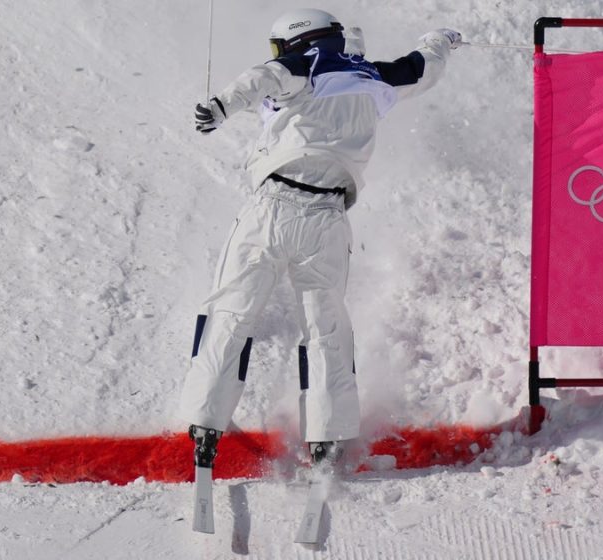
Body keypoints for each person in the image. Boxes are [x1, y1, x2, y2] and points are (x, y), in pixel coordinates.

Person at [179, 8, 462, 469]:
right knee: (325, 326)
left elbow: (262, 78)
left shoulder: (304, 64)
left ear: (296, 39)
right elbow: (421, 68)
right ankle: (326, 438)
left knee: (232, 309)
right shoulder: (375, 77)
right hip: (328, 216)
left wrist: (220, 108)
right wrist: (442, 41)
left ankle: (205, 421)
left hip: (272, 208)